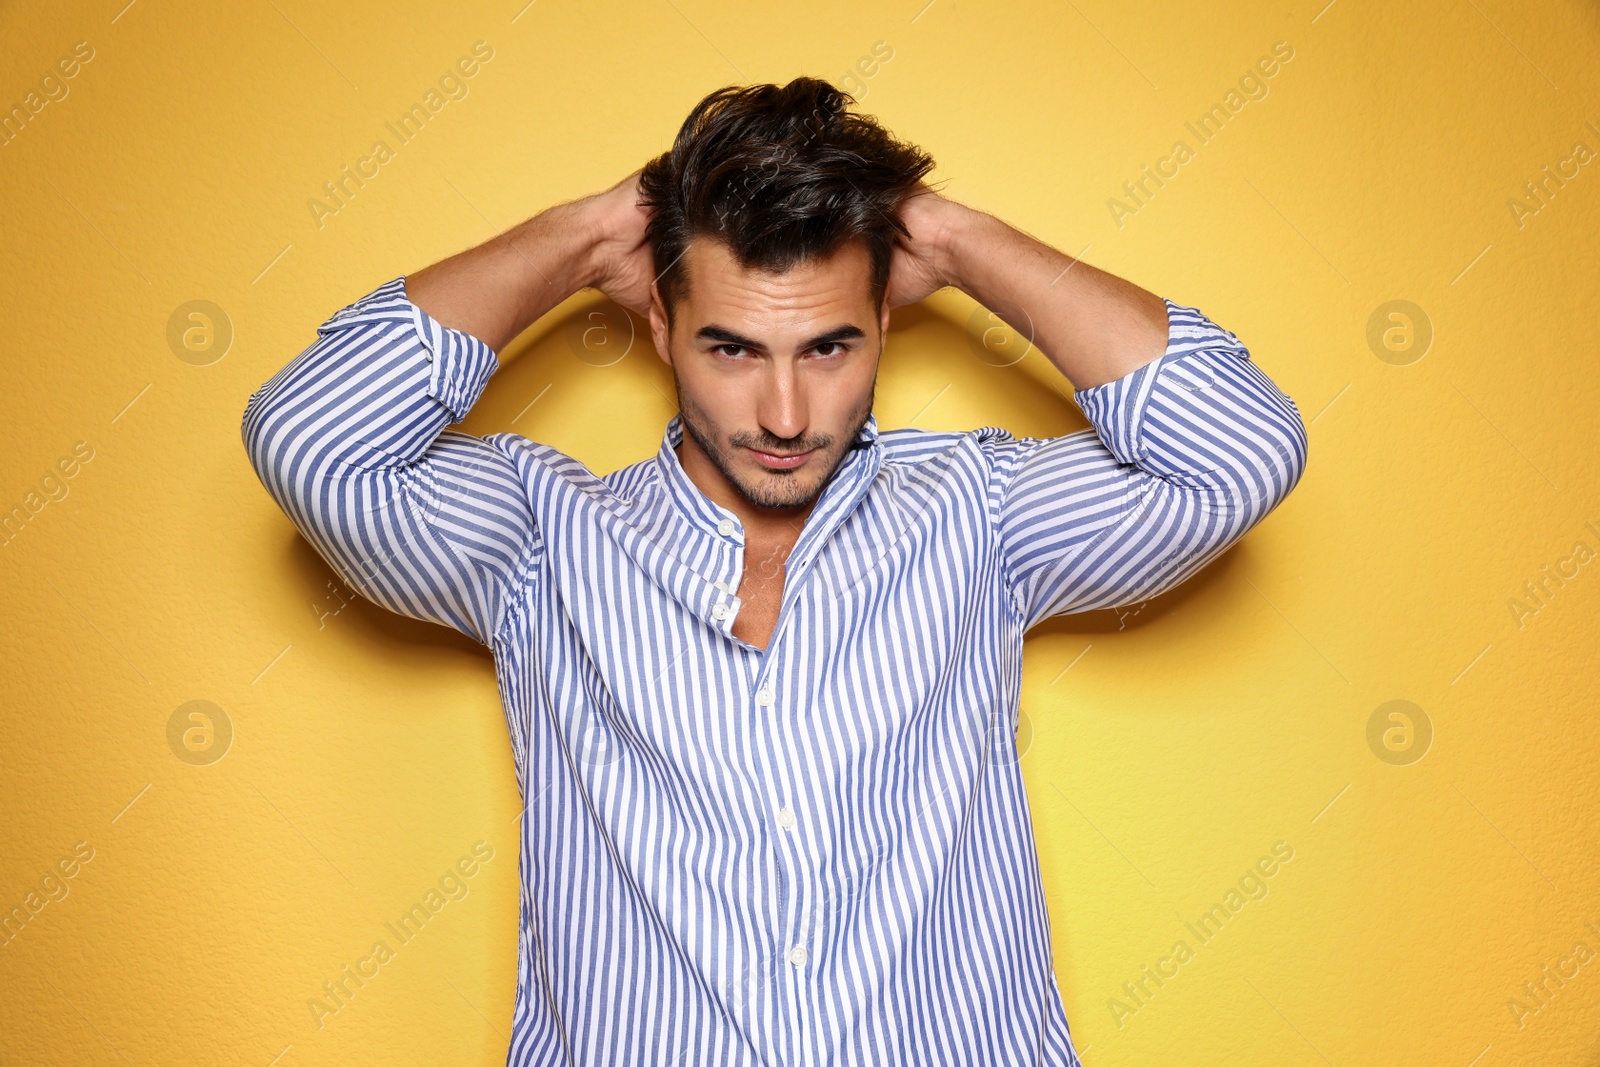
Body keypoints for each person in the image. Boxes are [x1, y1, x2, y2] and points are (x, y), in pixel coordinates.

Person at [241, 76, 1307, 1066]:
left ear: (886, 320)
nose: (787, 418)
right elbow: (312, 439)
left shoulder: (978, 514)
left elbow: (1238, 450)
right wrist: (586, 238)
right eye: (733, 348)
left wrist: (946, 233)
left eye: (830, 347)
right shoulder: (540, 537)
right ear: (659, 323)